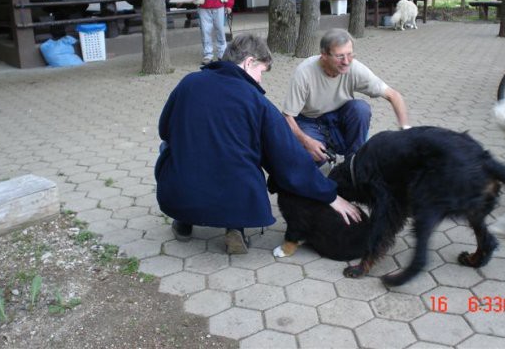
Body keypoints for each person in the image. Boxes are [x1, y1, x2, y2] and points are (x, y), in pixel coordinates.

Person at [155, 33, 361, 255]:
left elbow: (164, 130)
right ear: (248, 62)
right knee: (243, 161)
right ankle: (235, 226)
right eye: (261, 71)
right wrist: (330, 195)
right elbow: (289, 159)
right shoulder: (257, 102)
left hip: (179, 193)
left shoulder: (188, 82)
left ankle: (184, 219)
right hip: (235, 197)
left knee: (169, 148)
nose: (261, 80)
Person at [283, 28, 410, 164]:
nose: (346, 61)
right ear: (324, 55)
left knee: (360, 108)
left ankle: (354, 162)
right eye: (340, 56)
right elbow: (287, 117)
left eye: (350, 54)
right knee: (313, 158)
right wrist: (306, 141)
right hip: (309, 120)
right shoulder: (304, 73)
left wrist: (406, 132)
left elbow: (394, 95)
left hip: (338, 116)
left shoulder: (354, 68)